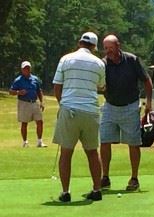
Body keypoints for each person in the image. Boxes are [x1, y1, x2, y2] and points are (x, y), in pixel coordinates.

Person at [52, 32, 105, 202]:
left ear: (79, 42)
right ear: (94, 47)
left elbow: (57, 86)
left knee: (66, 152)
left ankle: (66, 192)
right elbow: (101, 86)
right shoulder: (99, 63)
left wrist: (63, 104)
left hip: (70, 109)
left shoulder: (65, 59)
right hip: (90, 111)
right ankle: (97, 189)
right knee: (92, 152)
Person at [100, 34, 153, 191]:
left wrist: (149, 103)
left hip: (130, 106)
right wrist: (100, 88)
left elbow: (146, 81)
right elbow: (98, 85)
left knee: (133, 143)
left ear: (118, 46)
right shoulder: (102, 64)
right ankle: (105, 177)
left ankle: (134, 178)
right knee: (104, 141)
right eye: (106, 48)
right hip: (110, 106)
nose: (108, 51)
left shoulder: (131, 60)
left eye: (111, 48)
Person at [9, 61, 47, 148]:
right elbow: (10, 91)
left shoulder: (35, 79)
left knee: (40, 121)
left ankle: (40, 142)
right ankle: (25, 142)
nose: (27, 69)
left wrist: (42, 102)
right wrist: (19, 92)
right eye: (25, 68)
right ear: (22, 70)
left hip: (34, 102)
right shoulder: (18, 80)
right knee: (24, 123)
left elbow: (39, 91)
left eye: (28, 68)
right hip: (24, 103)